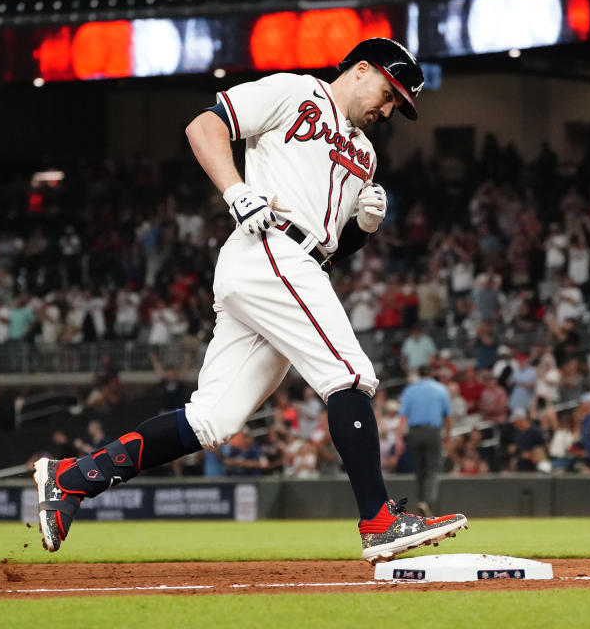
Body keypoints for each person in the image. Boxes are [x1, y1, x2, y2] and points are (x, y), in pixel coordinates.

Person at [33, 38, 466, 562]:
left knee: (211, 419)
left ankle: (73, 480)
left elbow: (331, 247)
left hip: (296, 265)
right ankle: (378, 519)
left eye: (398, 102)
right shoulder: (295, 91)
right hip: (268, 250)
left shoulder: (366, 154)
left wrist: (363, 229)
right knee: (348, 374)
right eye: (389, 91)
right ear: (360, 69)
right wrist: (236, 190)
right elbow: (204, 127)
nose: (389, 107)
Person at [398, 365, 453, 517]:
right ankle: (427, 502)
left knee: (419, 470)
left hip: (415, 432)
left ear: (419, 374)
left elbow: (402, 417)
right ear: (432, 373)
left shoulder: (410, 390)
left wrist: (399, 439)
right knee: (432, 470)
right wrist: (448, 436)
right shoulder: (441, 389)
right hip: (432, 431)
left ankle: (421, 500)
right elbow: (448, 416)